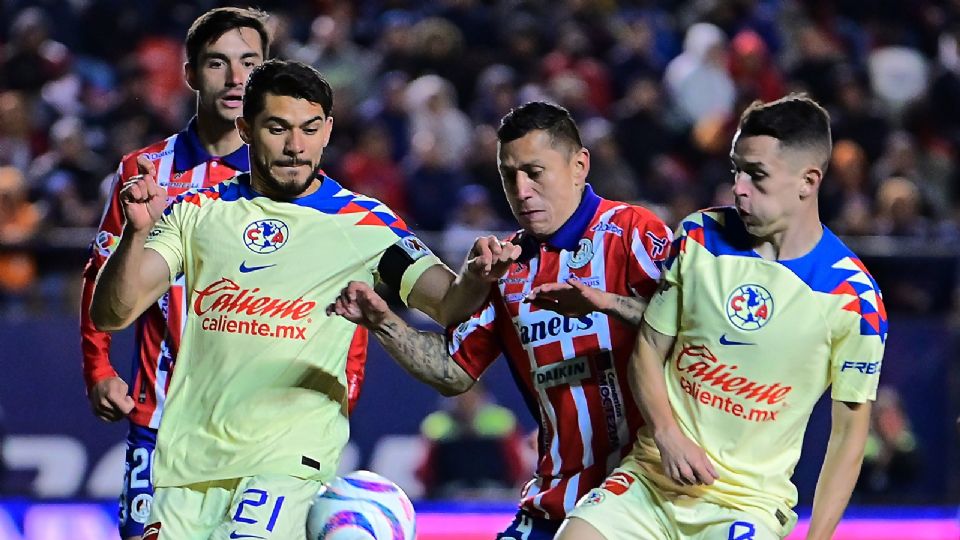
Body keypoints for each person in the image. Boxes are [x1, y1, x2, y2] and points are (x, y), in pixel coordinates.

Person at [89, 59, 513, 539]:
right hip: (184, 468)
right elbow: (114, 313)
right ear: (246, 129)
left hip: (286, 463)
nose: (296, 146)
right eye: (278, 128)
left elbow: (449, 305)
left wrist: (477, 278)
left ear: (328, 130)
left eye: (310, 129)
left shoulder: (364, 223)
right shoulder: (199, 212)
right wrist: (136, 234)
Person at [329, 101, 673, 539]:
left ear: (579, 165)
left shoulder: (633, 233)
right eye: (508, 176)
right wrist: (383, 322)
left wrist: (606, 303)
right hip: (555, 503)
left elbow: (695, 334)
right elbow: (453, 372)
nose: (521, 190)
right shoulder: (506, 265)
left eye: (535, 171)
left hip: (648, 500)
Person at [557, 94, 888, 540]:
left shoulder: (852, 297)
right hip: (648, 484)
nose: (739, 187)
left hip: (745, 507)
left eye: (757, 175)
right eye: (736, 169)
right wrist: (669, 435)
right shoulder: (699, 236)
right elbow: (649, 351)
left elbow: (849, 436)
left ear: (808, 181)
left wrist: (818, 537)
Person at [78, 9, 272, 539]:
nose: (236, 80)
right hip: (160, 421)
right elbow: (101, 273)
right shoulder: (143, 171)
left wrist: (348, 385)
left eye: (250, 63)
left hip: (262, 429)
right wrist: (98, 366)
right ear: (190, 74)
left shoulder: (292, 178)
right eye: (218, 63)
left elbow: (338, 290)